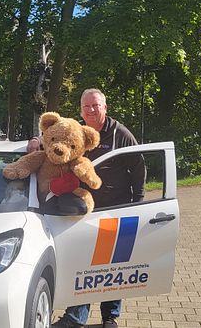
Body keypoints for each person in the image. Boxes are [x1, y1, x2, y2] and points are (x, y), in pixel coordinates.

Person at [45, 89, 145, 328]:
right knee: (85, 263)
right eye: (86, 106)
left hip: (116, 209)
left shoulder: (120, 134)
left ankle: (110, 317)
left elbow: (139, 167)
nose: (91, 110)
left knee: (113, 265)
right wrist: (35, 142)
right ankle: (75, 317)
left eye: (96, 105)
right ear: (81, 110)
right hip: (82, 209)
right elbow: (53, 144)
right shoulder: (76, 132)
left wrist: (138, 204)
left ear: (105, 108)